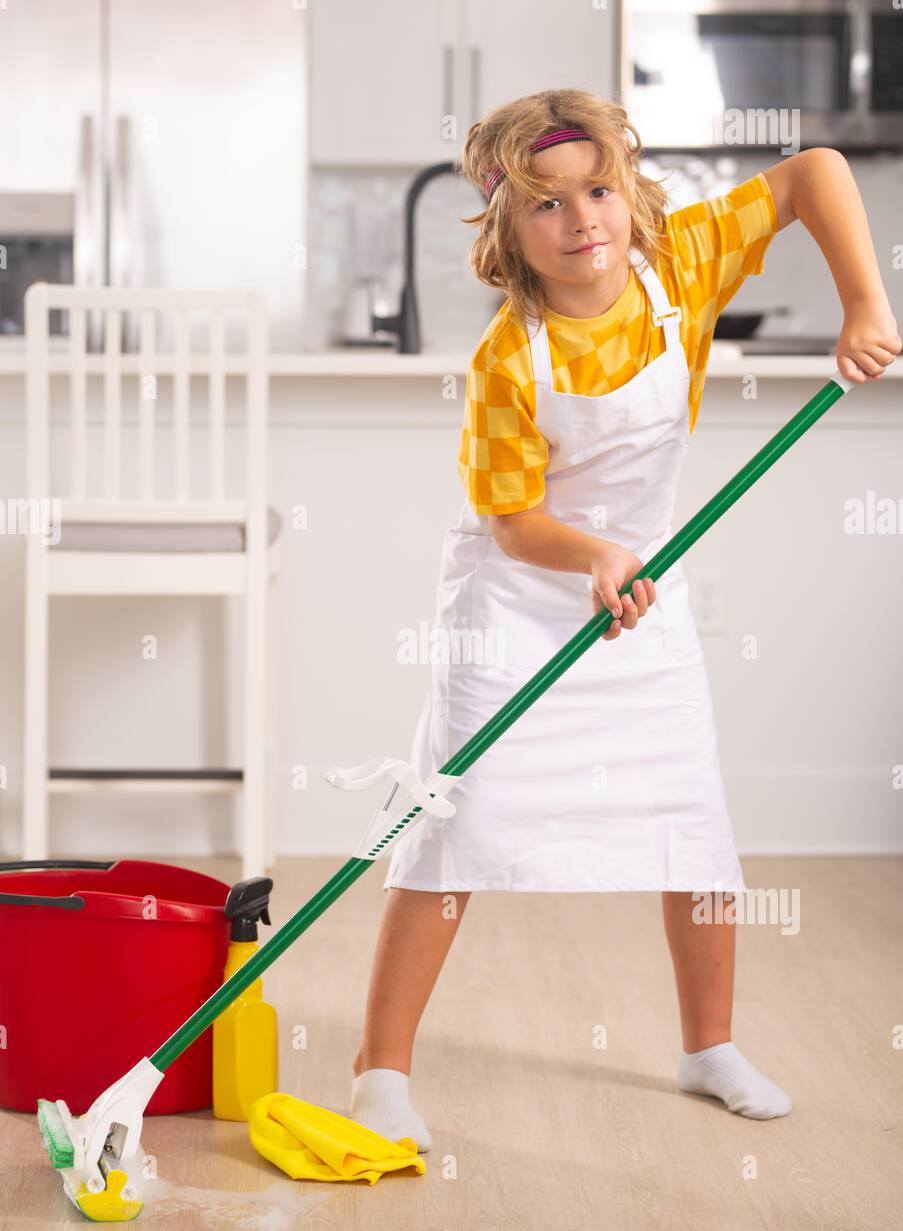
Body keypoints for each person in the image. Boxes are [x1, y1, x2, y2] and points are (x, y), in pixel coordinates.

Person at [348, 89, 901, 1151]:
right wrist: (595, 556)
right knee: (451, 828)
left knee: (691, 819)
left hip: (646, 593)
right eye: (548, 205)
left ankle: (708, 1046)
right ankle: (382, 1068)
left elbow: (815, 171)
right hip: (519, 602)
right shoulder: (507, 361)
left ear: (629, 189)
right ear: (510, 230)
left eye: (599, 189)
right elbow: (514, 521)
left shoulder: (682, 262)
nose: (583, 219)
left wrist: (864, 302)